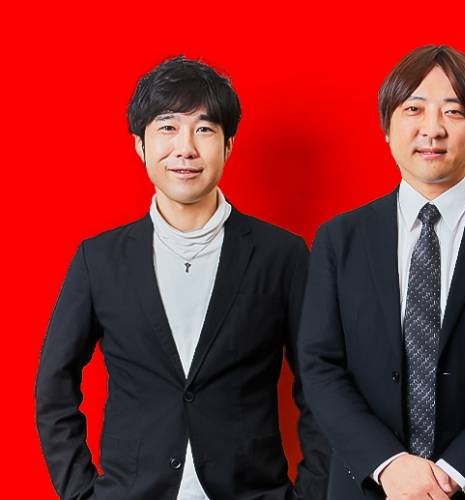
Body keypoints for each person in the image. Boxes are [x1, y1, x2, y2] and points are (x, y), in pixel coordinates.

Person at [35, 56, 329, 499]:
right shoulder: (99, 259)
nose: (185, 148)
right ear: (140, 144)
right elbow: (54, 384)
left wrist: (312, 493)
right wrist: (79, 493)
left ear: (228, 145)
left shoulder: (282, 255)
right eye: (168, 127)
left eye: (205, 129)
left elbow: (320, 382)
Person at [297, 45, 465, 500]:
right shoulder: (339, 240)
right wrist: (389, 466)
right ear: (387, 127)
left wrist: (452, 474)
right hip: (368, 485)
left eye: (455, 111)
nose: (433, 129)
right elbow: (320, 366)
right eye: (414, 109)